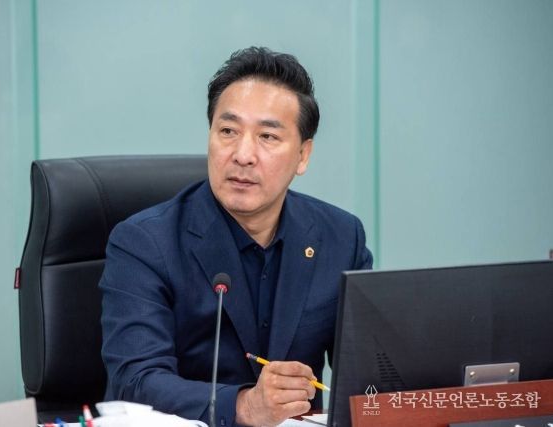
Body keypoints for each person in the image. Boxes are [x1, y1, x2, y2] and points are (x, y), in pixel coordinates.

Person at [100, 46, 372, 427]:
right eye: (228, 131)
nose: (243, 155)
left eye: (268, 136)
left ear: (303, 155)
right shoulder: (145, 243)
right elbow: (135, 381)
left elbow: (370, 378)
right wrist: (245, 406)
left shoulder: (341, 238)